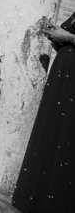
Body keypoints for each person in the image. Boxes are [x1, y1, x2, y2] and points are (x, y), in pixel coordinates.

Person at [12, 12, 75, 212]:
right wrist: (56, 36)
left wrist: (68, 37)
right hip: (64, 72)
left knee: (68, 136)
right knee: (52, 132)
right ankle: (35, 198)